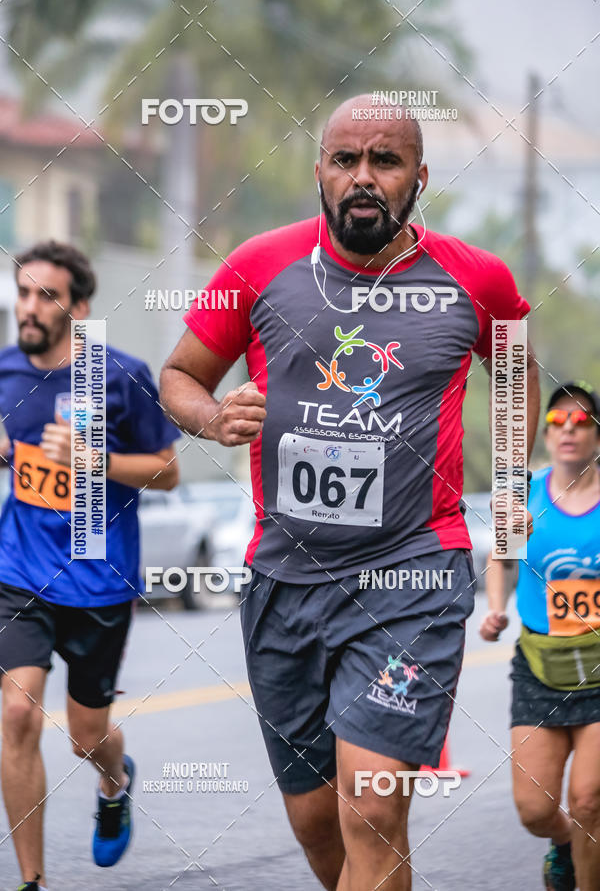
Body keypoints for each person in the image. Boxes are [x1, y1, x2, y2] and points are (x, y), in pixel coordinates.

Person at [160, 94, 540, 890]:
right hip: (284, 579)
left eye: (385, 161)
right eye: (346, 160)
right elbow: (182, 374)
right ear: (320, 174)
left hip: (412, 573)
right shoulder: (260, 266)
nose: (363, 178)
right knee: (318, 825)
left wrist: (510, 479)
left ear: (419, 178)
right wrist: (211, 414)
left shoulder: (475, 279)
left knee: (372, 807)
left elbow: (514, 370)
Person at [0, 240, 180, 891]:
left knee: (85, 737)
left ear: (78, 307)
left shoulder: (120, 376)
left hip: (97, 576)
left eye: (44, 296)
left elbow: (167, 471)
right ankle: (31, 881)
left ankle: (113, 781)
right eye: (22, 293)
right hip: (19, 571)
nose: (28, 308)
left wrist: (92, 458)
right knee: (17, 715)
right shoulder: (5, 373)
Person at [481, 380, 600, 891]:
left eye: (581, 422)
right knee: (534, 809)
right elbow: (499, 558)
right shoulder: (524, 497)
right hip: (539, 665)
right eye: (556, 422)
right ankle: (565, 842)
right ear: (545, 434)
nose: (568, 430)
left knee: (590, 800)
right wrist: (494, 610)